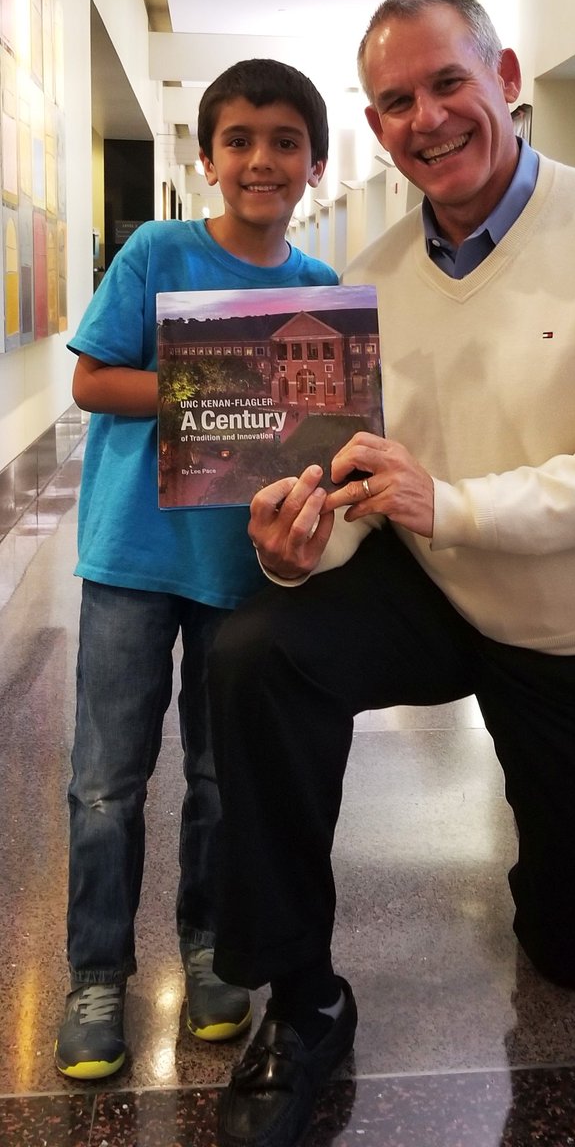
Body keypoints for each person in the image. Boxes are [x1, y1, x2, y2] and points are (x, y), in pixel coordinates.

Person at [206, 0, 575, 1147]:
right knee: (255, 650)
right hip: (437, 589)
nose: (425, 117)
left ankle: (560, 861)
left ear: (507, 77)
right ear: (375, 128)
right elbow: (355, 495)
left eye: (446, 84)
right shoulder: (373, 277)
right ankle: (299, 996)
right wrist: (301, 548)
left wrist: (454, 504)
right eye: (394, 101)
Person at [54, 58, 337, 1080]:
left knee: (222, 780)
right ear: (208, 156)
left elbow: (323, 431)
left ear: (314, 162)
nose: (260, 159)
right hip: (133, 554)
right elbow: (90, 380)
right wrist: (213, 382)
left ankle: (211, 950)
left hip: (240, 564)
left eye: (284, 141)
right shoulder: (156, 252)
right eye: (239, 140)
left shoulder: (319, 296)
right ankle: (95, 973)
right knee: (105, 784)